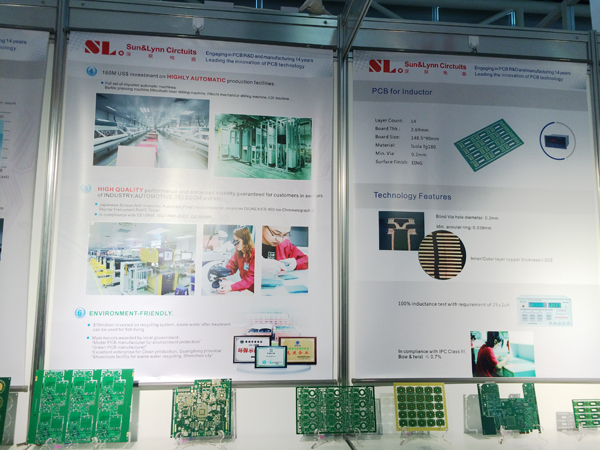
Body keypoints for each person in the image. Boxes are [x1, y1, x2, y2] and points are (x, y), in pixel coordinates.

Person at [217, 227, 255, 294]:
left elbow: (250, 279)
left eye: (237, 241)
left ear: (245, 240)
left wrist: (231, 287)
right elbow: (230, 267)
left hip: (254, 290)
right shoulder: (238, 252)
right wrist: (220, 274)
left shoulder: (254, 254)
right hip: (245, 289)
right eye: (234, 241)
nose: (235, 244)